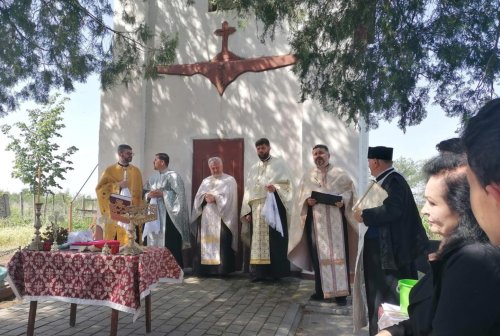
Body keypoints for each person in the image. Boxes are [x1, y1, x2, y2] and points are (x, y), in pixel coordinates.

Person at [377, 152, 494, 335]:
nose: (424, 210)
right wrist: (393, 330)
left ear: (464, 206)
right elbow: (424, 317)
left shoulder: (473, 262)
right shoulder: (453, 252)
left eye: (432, 203)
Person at [353, 146, 428, 336]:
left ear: (376, 162)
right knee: (378, 297)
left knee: (390, 299)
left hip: (391, 255)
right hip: (380, 252)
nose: (369, 166)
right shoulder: (385, 180)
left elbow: (393, 210)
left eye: (370, 162)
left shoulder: (395, 181)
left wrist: (365, 215)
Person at [289, 144, 359, 306]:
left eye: (321, 153)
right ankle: (320, 291)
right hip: (316, 223)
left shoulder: (340, 174)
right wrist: (307, 200)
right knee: (318, 257)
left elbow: (351, 193)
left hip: (337, 223)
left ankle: (341, 294)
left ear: (329, 155)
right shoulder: (307, 176)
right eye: (315, 154)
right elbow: (300, 198)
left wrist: (343, 200)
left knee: (338, 256)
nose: (318, 156)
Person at [241, 138, 292, 281]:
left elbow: (288, 185)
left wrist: (276, 188)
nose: (261, 150)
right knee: (257, 241)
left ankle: (276, 273)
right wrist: (247, 211)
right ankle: (258, 273)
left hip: (273, 206)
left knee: (274, 239)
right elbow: (248, 191)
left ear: (269, 148)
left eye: (263, 148)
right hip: (256, 210)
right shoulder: (253, 168)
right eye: (258, 148)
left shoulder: (279, 164)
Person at [191, 157, 239, 276]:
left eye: (217, 167)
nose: (215, 169)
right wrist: (204, 198)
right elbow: (198, 197)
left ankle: (221, 270)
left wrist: (216, 198)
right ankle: (204, 270)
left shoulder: (229, 180)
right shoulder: (205, 181)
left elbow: (230, 199)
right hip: (206, 216)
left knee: (222, 242)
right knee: (204, 242)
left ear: (222, 166)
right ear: (209, 168)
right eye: (213, 168)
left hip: (222, 217)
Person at [143, 153, 189, 268]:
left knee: (170, 240)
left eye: (155, 160)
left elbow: (180, 195)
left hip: (168, 215)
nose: (153, 162)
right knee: (150, 237)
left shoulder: (173, 176)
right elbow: (144, 191)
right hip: (153, 212)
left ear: (162, 162)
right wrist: (149, 194)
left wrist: (163, 194)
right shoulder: (153, 178)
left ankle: (172, 269)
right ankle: (152, 268)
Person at [96, 144, 143, 244]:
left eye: (132, 153)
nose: (131, 155)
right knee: (116, 246)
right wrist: (118, 186)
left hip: (133, 213)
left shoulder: (136, 171)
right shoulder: (110, 171)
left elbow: (140, 193)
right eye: (128, 153)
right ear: (120, 154)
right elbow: (100, 190)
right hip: (116, 214)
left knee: (133, 245)